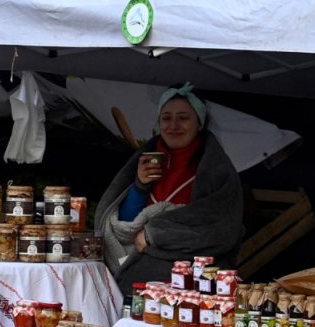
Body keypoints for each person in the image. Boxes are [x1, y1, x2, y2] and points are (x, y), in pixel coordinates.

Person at [96, 83, 243, 295]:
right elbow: (125, 227)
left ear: (199, 123)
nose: (173, 125)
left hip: (191, 285)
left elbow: (219, 229)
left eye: (183, 118)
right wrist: (139, 187)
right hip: (139, 283)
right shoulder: (145, 161)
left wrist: (156, 234)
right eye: (166, 118)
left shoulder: (217, 171)